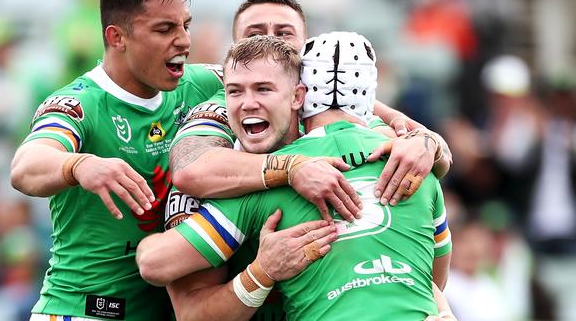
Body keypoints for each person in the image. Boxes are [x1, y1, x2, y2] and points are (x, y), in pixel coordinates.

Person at [138, 34, 454, 320]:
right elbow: (433, 280)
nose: (249, 102)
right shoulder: (414, 166)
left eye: (264, 88)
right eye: (235, 91)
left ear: (298, 94)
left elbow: (153, 262)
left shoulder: (413, 156)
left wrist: (428, 141)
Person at [10, 0, 226, 320]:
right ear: (116, 37)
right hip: (81, 312)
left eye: (186, 26)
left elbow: (271, 79)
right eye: (164, 29)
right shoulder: (80, 104)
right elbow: (25, 167)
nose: (184, 41)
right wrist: (79, 165)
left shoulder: (200, 85)